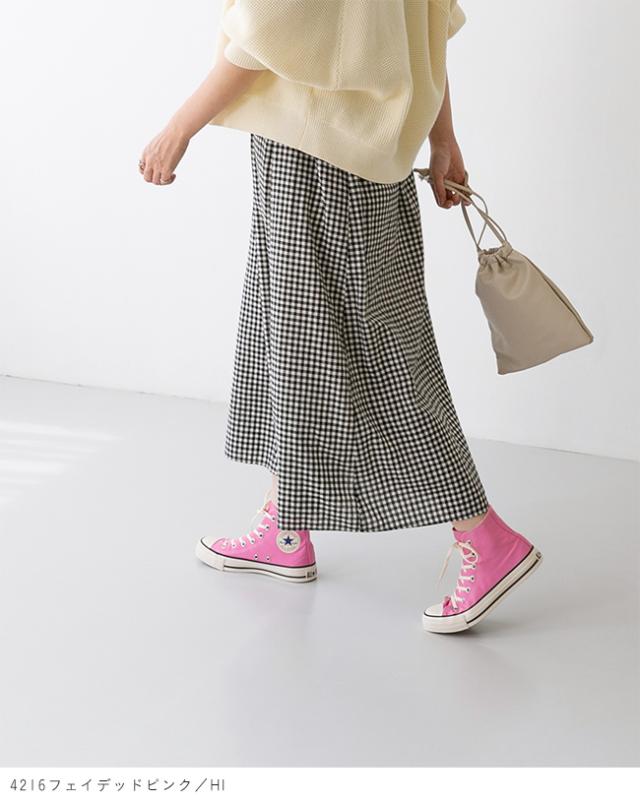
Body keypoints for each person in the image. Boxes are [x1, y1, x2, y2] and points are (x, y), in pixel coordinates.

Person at [138, 1, 542, 634]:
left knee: (372, 356)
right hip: (366, 152)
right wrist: (443, 139)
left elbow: (263, 33)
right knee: (296, 339)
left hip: (315, 152)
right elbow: (428, 27)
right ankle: (286, 527)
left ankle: (487, 538)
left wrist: (179, 127)